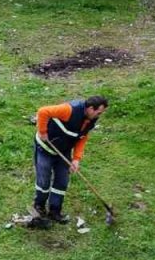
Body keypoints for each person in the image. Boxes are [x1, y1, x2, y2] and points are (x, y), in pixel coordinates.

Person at [32, 95, 108, 223]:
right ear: (90, 108)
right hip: (45, 148)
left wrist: (76, 159)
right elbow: (43, 111)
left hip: (63, 151)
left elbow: (82, 138)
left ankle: (55, 211)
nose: (99, 116)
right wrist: (43, 131)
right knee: (44, 180)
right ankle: (39, 206)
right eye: (98, 112)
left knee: (62, 181)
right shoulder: (69, 110)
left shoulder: (90, 121)